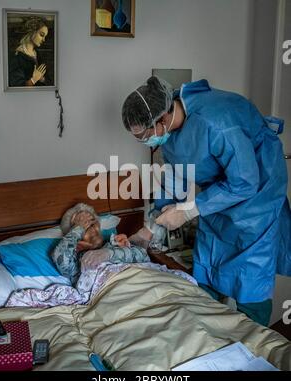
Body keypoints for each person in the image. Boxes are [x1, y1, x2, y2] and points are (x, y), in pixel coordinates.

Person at [122, 76, 291, 326]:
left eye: (144, 135)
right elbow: (175, 176)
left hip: (256, 206)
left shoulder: (216, 122)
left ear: (163, 120)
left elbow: (245, 181)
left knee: (250, 280)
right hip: (216, 200)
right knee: (206, 268)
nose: (143, 141)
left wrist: (190, 209)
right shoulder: (170, 134)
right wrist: (151, 227)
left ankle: (256, 350)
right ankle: (205, 335)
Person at [51, 203, 151, 285]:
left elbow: (144, 256)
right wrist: (78, 228)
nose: (91, 227)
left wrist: (110, 253)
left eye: (92, 222)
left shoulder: (116, 243)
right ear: (74, 235)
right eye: (84, 225)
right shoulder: (75, 262)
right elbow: (60, 257)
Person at [9, 17, 49, 87]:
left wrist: (42, 79)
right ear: (32, 32)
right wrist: (33, 80)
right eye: (41, 35)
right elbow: (16, 86)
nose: (44, 40)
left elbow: (49, 81)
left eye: (45, 36)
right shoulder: (17, 56)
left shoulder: (37, 54)